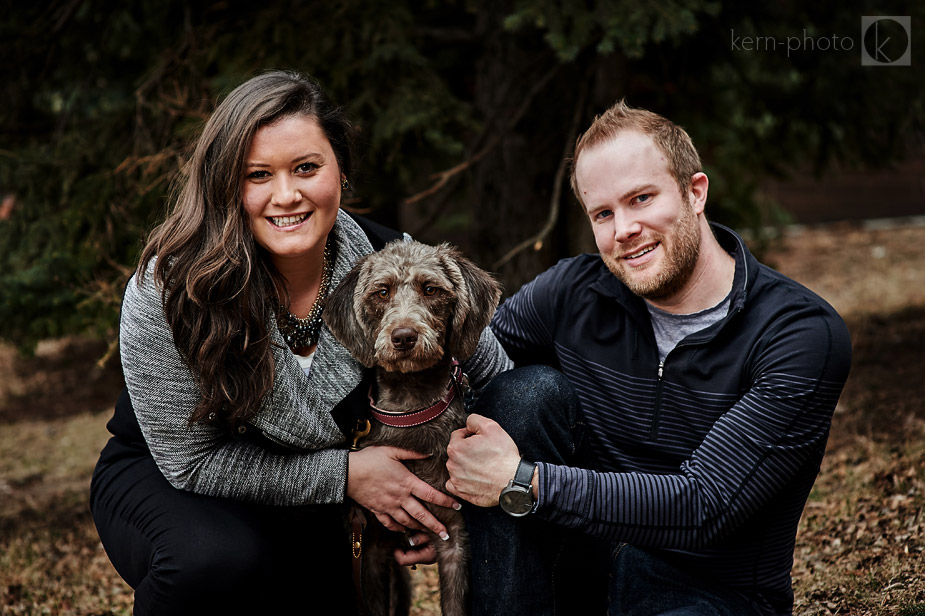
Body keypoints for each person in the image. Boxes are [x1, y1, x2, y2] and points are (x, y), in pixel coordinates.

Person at [89, 70, 511, 615]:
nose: (286, 195)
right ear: (225, 184)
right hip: (179, 482)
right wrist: (345, 476)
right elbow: (189, 463)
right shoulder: (170, 289)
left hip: (323, 503)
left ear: (341, 169)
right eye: (257, 174)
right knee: (214, 560)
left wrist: (452, 505)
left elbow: (496, 377)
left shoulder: (392, 262)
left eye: (306, 168)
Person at [445, 101, 852, 615]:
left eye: (641, 199)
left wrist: (525, 481)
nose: (624, 229)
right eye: (604, 213)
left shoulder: (798, 333)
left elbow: (706, 505)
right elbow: (462, 372)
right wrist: (419, 500)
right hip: (573, 575)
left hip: (709, 593)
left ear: (695, 192)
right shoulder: (570, 292)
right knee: (522, 394)